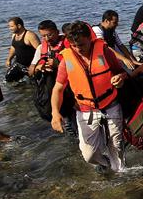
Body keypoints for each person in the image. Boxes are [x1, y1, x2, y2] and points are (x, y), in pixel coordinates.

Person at [50, 21, 128, 172]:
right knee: (89, 155)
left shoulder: (104, 51)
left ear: (90, 39)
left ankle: (120, 175)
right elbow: (58, 88)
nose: (79, 49)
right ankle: (105, 164)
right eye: (74, 46)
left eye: (82, 45)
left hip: (110, 104)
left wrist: (120, 78)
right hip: (86, 109)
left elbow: (120, 71)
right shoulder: (66, 60)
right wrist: (55, 113)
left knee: (116, 145)